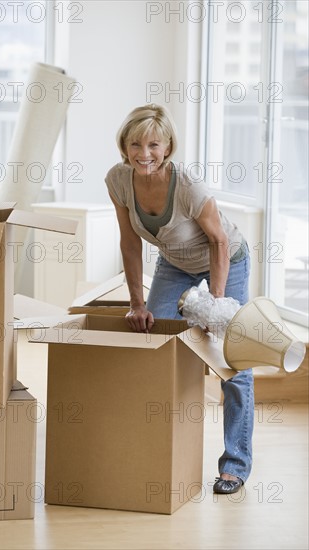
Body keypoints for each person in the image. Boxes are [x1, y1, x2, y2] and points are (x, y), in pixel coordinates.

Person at [105, 104, 254, 495]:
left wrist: (214, 308)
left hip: (224, 260)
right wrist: (137, 303)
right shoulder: (118, 180)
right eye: (135, 143)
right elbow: (129, 241)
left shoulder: (188, 186)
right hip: (174, 265)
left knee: (233, 361)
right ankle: (148, 450)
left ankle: (234, 465)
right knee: (150, 337)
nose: (144, 153)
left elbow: (219, 241)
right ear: (124, 144)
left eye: (154, 144)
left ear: (168, 146)